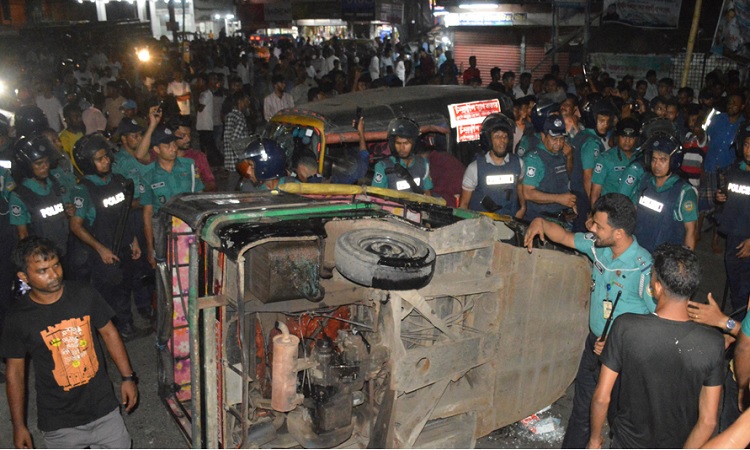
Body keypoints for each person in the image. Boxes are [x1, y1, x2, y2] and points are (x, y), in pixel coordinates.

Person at [523, 193, 654, 448]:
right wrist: (539, 222)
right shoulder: (598, 246)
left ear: (618, 233)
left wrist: (621, 344)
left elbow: (658, 319)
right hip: (593, 346)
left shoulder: (643, 268)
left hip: (625, 356)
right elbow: (563, 236)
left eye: (598, 225)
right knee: (582, 408)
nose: (591, 228)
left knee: (620, 417)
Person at [0, 236, 138, 449]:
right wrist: (19, 426)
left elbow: (110, 333)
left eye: (56, 265)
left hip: (104, 409)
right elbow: (15, 373)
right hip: (59, 422)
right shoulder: (18, 318)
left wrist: (128, 377)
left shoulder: (84, 294)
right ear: (24, 277)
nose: (54, 275)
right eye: (42, 270)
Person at [588, 244, 724, 448]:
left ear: (658, 287)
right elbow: (708, 421)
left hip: (627, 442)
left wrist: (594, 439)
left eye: (652, 276)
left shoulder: (626, 327)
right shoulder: (713, 343)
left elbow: (601, 397)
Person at [70, 134, 144, 340]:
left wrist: (134, 240)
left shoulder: (118, 181)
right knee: (107, 293)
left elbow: (125, 213)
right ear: (87, 163)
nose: (106, 161)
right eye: (100, 159)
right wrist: (100, 249)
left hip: (123, 245)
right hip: (102, 252)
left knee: (124, 287)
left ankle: (126, 326)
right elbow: (76, 226)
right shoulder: (83, 189)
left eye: (106, 156)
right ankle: (109, 333)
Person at [141, 125, 204, 268]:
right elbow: (148, 213)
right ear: (156, 149)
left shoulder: (189, 166)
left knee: (192, 271)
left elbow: (199, 196)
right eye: (167, 145)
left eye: (174, 144)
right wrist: (150, 248)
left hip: (189, 228)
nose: (173, 148)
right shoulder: (148, 176)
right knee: (166, 273)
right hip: (164, 231)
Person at [630, 133, 698, 252]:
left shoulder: (684, 192)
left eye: (663, 160)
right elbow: (632, 211)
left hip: (666, 258)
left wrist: (685, 263)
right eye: (654, 159)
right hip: (639, 252)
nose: (657, 165)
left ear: (673, 161)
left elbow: (690, 231)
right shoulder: (645, 181)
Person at [9, 134, 71, 257]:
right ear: (27, 165)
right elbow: (23, 235)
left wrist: (68, 211)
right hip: (43, 257)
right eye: (39, 163)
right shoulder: (20, 196)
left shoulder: (53, 183)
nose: (45, 166)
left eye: (47, 161)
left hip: (64, 250)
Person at [714, 123, 750, 319]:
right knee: (736, 287)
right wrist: (721, 199)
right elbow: (730, 197)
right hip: (734, 238)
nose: (748, 150)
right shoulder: (735, 170)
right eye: (746, 144)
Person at [460, 113, 524, 217]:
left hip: (510, 224)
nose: (502, 140)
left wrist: (522, 207)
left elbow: (520, 185)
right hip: (483, 226)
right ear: (488, 140)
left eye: (505, 136)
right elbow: (464, 204)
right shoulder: (474, 168)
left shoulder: (518, 163)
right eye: (497, 136)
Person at [521, 115, 575, 223]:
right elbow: (527, 193)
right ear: (543, 136)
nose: (559, 143)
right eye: (554, 139)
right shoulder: (534, 159)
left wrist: (569, 158)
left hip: (560, 217)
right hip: (539, 219)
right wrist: (559, 199)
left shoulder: (563, 153)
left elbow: (570, 177)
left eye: (561, 138)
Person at [371, 117, 433, 195]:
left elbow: (427, 193)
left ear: (414, 144)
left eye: (406, 143)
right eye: (398, 143)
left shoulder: (423, 163)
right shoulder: (383, 166)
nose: (402, 148)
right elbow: (376, 196)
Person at [590, 117, 640, 207]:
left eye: (631, 138)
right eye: (623, 137)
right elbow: (595, 192)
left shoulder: (641, 158)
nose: (627, 141)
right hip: (610, 210)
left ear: (636, 139)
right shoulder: (605, 158)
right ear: (617, 137)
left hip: (633, 210)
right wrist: (594, 215)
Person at [172, 118, 216, 192]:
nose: (188, 139)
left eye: (189, 135)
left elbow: (211, 183)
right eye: (183, 135)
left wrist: (197, 185)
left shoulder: (197, 157)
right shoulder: (162, 157)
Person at [223, 92, 253, 191]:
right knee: (235, 182)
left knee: (235, 181)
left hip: (233, 156)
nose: (248, 103)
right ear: (240, 102)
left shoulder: (231, 116)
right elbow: (235, 139)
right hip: (237, 157)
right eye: (246, 101)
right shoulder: (239, 117)